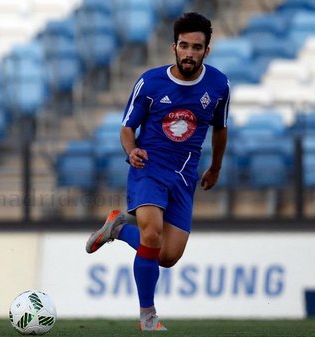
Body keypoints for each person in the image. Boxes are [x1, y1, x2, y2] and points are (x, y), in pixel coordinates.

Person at [85, 12, 229, 331]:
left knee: (167, 256)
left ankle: (120, 228)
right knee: (152, 234)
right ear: (173, 47)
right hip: (148, 168)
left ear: (207, 50)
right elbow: (127, 128)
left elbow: (220, 129)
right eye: (184, 46)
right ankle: (148, 316)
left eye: (197, 47)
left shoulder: (219, 84)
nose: (189, 53)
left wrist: (215, 167)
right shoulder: (150, 82)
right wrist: (131, 149)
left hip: (185, 176)